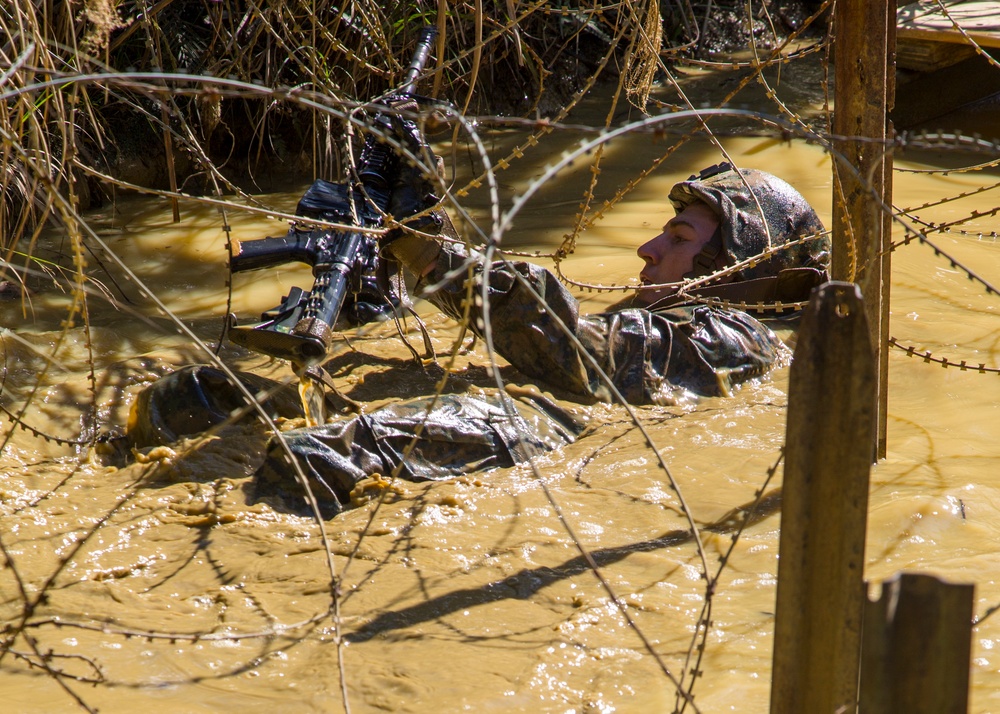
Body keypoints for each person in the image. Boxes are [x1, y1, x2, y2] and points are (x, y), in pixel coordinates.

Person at [125, 162, 830, 518]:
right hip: (525, 405)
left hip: (565, 430)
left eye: (678, 239)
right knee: (188, 397)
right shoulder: (679, 315)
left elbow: (583, 359)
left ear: (748, 273)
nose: (647, 249)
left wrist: (435, 258)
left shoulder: (740, 338)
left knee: (323, 456)